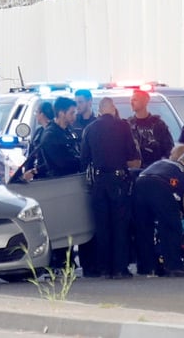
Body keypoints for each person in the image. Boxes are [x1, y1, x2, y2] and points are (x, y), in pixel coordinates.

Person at [80, 97, 141, 279]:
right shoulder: (123, 127)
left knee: (102, 226)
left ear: (99, 110)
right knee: (120, 225)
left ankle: (104, 267)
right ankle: (120, 268)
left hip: (98, 183)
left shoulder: (89, 129)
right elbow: (132, 154)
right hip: (118, 181)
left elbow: (84, 160)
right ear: (113, 109)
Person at [132, 153, 184, 278]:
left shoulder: (161, 162)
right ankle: (174, 266)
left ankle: (146, 267)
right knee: (171, 227)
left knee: (144, 228)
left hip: (140, 183)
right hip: (160, 186)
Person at [24, 97, 80, 180]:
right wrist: (82, 160)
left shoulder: (68, 131)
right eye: (72, 113)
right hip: (57, 182)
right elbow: (61, 163)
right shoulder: (50, 135)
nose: (75, 116)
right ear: (61, 113)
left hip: (71, 180)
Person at [127, 90, 174, 168]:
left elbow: (169, 149)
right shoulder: (129, 125)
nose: (131, 103)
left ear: (145, 102)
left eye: (135, 100)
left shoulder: (158, 124)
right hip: (134, 171)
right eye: (131, 100)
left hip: (155, 169)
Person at [11, 101, 53, 183]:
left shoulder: (52, 133)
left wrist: (35, 171)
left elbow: (52, 162)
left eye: (36, 112)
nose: (36, 115)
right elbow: (31, 155)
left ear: (42, 114)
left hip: (48, 177)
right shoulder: (39, 132)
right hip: (37, 177)